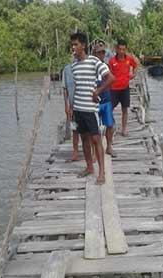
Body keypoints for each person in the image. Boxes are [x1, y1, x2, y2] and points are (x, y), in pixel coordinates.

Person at [68, 32, 115, 185]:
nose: (73, 47)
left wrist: (97, 91)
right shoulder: (73, 66)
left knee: (96, 140)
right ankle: (89, 168)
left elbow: (110, 78)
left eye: (76, 44)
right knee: (84, 140)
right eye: (72, 45)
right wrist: (71, 107)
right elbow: (75, 88)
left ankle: (101, 173)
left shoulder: (94, 61)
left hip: (90, 109)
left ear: (83, 45)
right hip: (78, 109)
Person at [108, 39, 138, 136]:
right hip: (113, 89)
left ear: (126, 49)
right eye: (120, 49)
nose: (121, 52)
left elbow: (135, 65)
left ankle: (124, 129)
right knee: (110, 109)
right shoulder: (112, 61)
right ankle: (111, 126)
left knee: (125, 109)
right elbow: (109, 74)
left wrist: (134, 74)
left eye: (123, 49)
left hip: (125, 88)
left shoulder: (129, 59)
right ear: (116, 49)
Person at [93, 46, 117, 158]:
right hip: (94, 102)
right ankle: (94, 152)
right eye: (98, 53)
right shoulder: (91, 67)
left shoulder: (106, 67)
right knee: (93, 127)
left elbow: (111, 80)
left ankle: (109, 147)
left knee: (110, 125)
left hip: (106, 100)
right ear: (94, 54)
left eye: (103, 52)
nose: (101, 55)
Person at [61, 53, 80, 162]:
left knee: (88, 132)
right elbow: (65, 88)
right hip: (73, 106)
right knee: (74, 130)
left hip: (84, 105)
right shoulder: (67, 69)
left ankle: (93, 154)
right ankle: (75, 153)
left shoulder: (85, 66)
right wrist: (66, 105)